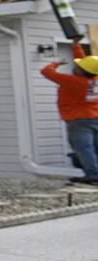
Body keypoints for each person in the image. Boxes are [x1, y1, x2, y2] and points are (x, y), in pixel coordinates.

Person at [41, 39, 98, 185]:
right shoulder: (95, 78)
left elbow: (46, 72)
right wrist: (76, 46)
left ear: (83, 71)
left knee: (84, 148)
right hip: (95, 117)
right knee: (95, 148)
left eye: (78, 66)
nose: (76, 66)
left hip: (78, 120)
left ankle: (93, 175)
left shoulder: (72, 81)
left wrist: (56, 63)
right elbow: (87, 63)